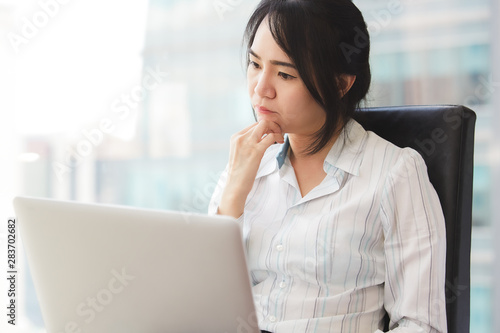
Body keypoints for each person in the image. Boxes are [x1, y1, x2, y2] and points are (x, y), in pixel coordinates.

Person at [208, 0, 447, 332]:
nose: (261, 88)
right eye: (254, 64)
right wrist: (234, 192)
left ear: (340, 83)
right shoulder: (245, 161)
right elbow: (203, 299)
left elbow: (422, 325)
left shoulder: (396, 174)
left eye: (285, 73)